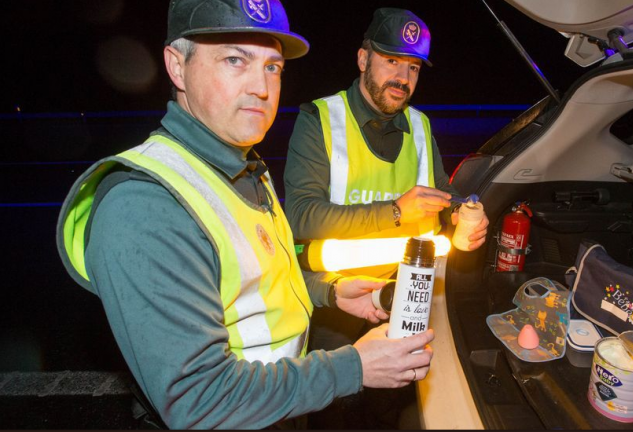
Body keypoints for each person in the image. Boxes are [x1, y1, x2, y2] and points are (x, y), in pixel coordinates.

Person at [55, 0, 434, 429]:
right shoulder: (145, 204)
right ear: (177, 67)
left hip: (278, 410)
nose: (261, 87)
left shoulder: (242, 167)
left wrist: (327, 291)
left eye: (273, 67)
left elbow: (255, 282)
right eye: (235, 60)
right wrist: (354, 367)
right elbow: (199, 400)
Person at [282, 7, 489, 428]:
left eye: (413, 67)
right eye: (391, 61)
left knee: (388, 411)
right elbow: (301, 217)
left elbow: (440, 195)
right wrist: (395, 211)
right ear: (363, 59)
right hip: (336, 306)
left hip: (406, 299)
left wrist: (465, 215)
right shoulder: (319, 119)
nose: (403, 78)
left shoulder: (419, 125)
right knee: (334, 416)